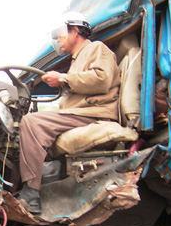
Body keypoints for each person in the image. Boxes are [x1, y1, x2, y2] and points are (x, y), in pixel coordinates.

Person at [19, 12, 121, 214]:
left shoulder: (96, 48)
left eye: (60, 35)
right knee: (28, 130)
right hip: (82, 112)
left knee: (32, 123)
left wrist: (64, 79)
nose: (57, 41)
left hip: (94, 112)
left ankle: (30, 193)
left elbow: (101, 80)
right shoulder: (77, 59)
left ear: (75, 31)